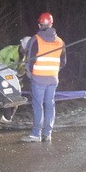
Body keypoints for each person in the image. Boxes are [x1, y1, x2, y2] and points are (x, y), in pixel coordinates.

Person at [22, 12, 66, 143]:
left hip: (38, 79)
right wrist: (53, 70)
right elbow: (63, 62)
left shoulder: (36, 39)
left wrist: (30, 75)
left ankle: (36, 134)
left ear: (39, 24)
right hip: (53, 79)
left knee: (38, 105)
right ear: (51, 24)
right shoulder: (60, 41)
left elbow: (29, 60)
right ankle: (47, 134)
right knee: (50, 105)